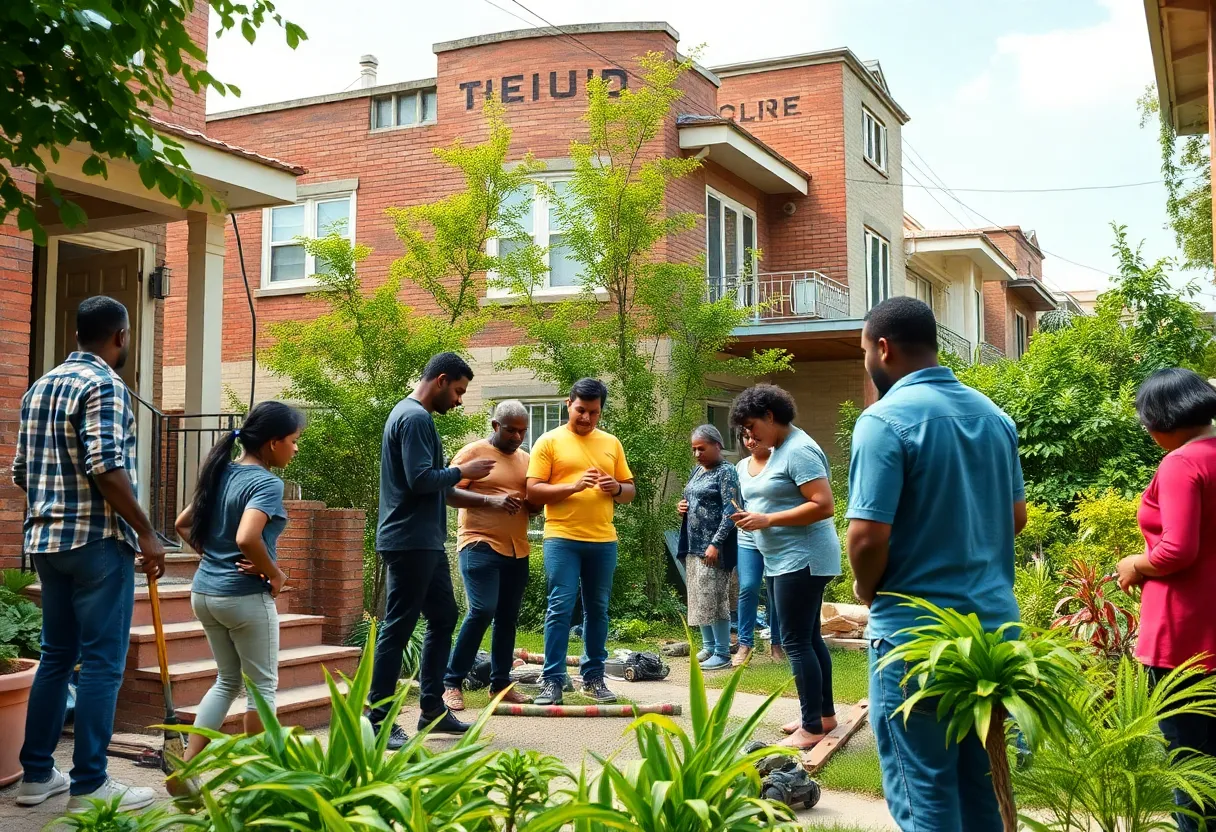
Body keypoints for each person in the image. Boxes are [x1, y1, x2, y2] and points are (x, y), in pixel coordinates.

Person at [847, 296, 1026, 832]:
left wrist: (867, 587)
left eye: (863, 352)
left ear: (883, 348)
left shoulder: (882, 421)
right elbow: (1015, 516)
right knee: (981, 791)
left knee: (925, 797)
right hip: (993, 637)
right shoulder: (994, 416)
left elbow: (867, 534)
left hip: (916, 640)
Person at [14, 296, 166, 812]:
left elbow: (19, 472)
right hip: (97, 543)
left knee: (56, 657)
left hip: (45, 542)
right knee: (102, 663)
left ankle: (36, 776)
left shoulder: (40, 387)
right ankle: (90, 785)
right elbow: (106, 464)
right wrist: (145, 531)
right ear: (120, 335)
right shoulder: (104, 384)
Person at [368, 352, 496, 750]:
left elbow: (435, 488)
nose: (459, 400)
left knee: (444, 616)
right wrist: (465, 471)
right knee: (399, 626)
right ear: (441, 380)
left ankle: (431, 709)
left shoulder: (410, 416)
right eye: (458, 391)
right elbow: (422, 480)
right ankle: (378, 717)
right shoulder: (415, 418)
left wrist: (486, 501)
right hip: (409, 541)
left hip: (423, 540)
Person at [172, 401, 303, 767]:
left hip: (205, 593)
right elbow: (247, 538)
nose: (296, 448)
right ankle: (259, 779)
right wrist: (275, 575)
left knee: (227, 681)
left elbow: (182, 524)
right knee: (261, 690)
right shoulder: (266, 482)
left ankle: (186, 767)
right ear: (274, 442)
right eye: (293, 440)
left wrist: (213, 556)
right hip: (243, 598)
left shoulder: (222, 472)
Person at [1115, 368, 1216, 832]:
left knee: (1192, 768)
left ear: (1162, 420)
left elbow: (1177, 549)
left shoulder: (1181, 463)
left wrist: (1136, 563)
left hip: (1185, 640)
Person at [729, 384, 840, 750]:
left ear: (770, 416)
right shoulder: (780, 449)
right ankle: (823, 715)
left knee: (794, 640)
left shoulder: (799, 450)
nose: (750, 436)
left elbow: (824, 505)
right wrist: (756, 520)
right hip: (784, 558)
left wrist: (768, 520)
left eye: (751, 427)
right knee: (807, 638)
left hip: (804, 558)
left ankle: (811, 726)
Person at [526, 378, 635, 706]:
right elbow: (533, 490)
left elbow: (629, 492)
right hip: (562, 537)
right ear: (567, 404)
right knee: (560, 606)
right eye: (581, 410)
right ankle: (553, 680)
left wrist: (615, 487)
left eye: (594, 412)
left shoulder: (611, 444)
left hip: (603, 540)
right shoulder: (549, 442)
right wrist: (573, 486)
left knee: (598, 610)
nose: (587, 417)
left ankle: (594, 678)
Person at [442, 401, 537, 710]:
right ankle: (451, 683)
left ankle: (500, 686)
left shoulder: (526, 460)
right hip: (479, 543)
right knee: (482, 610)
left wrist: (535, 504)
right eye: (511, 430)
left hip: (516, 548)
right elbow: (448, 493)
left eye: (523, 431)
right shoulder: (473, 453)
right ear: (496, 426)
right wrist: (491, 501)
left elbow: (532, 503)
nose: (518, 437)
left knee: (507, 619)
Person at [677, 425, 740, 671]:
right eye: (693, 449)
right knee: (698, 595)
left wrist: (716, 543)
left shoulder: (727, 472)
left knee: (715, 597)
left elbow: (731, 511)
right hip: (693, 544)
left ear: (717, 445)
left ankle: (723, 653)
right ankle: (709, 645)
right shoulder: (697, 471)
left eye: (701, 449)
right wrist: (681, 505)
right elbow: (691, 498)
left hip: (714, 547)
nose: (696, 454)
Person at [734, 429, 782, 666]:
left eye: (755, 436)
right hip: (748, 538)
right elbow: (734, 500)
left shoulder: (781, 461)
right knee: (748, 587)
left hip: (775, 536)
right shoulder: (741, 467)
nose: (750, 441)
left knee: (775, 591)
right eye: (745, 437)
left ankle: (777, 644)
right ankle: (745, 645)